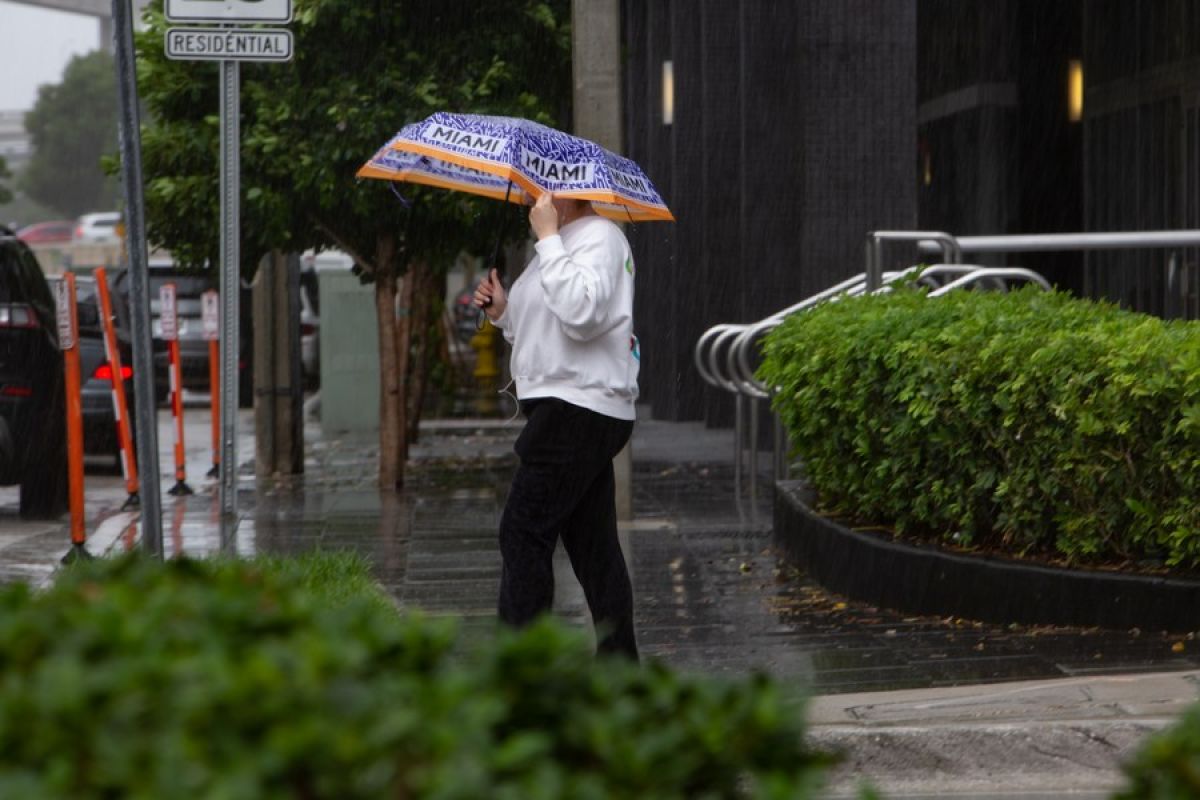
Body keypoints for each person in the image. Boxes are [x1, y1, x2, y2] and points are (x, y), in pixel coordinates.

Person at [474, 191, 640, 659]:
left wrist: (547, 239)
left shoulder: (600, 238)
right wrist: (504, 312)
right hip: (570, 407)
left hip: (578, 410)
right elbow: (549, 328)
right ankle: (621, 673)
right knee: (595, 548)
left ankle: (525, 676)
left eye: (542, 188)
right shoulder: (562, 242)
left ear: (569, 192)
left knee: (522, 532)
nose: (533, 197)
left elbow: (582, 316)